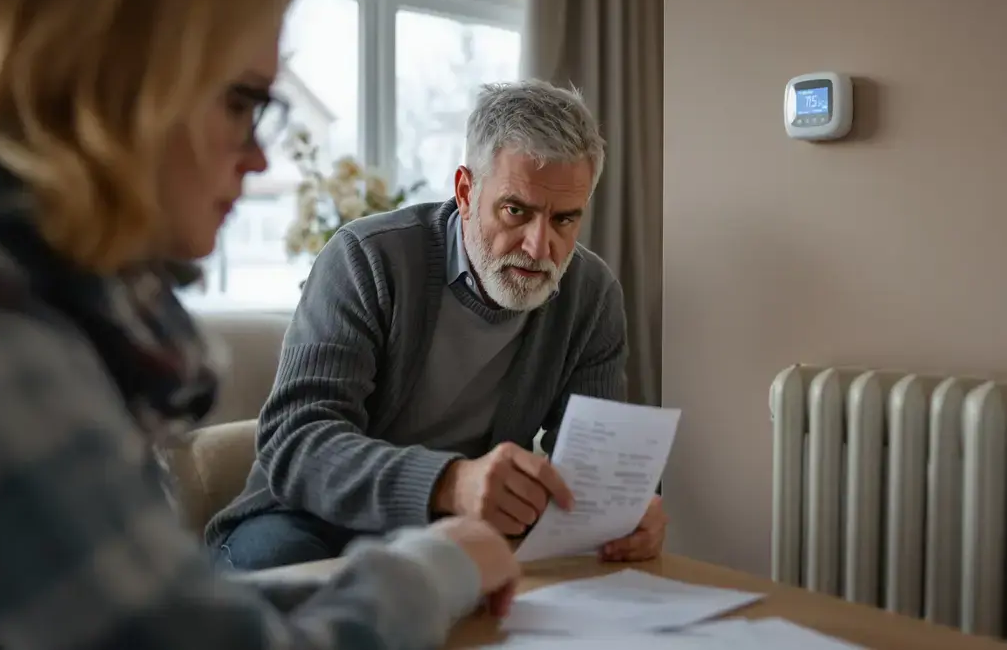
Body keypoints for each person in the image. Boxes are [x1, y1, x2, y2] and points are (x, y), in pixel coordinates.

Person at [0, 0, 521, 648]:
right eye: (241, 100)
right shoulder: (20, 360)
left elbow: (172, 615)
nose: (259, 153)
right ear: (110, 83)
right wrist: (437, 549)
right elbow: (297, 443)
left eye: (567, 217)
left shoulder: (67, 329)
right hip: (314, 518)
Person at [206, 79, 668, 570]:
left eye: (564, 221)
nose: (539, 247)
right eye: (516, 211)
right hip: (301, 520)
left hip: (449, 537)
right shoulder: (364, 259)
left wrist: (626, 511)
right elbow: (294, 443)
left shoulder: (591, 296)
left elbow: (590, 469)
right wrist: (450, 482)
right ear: (466, 191)